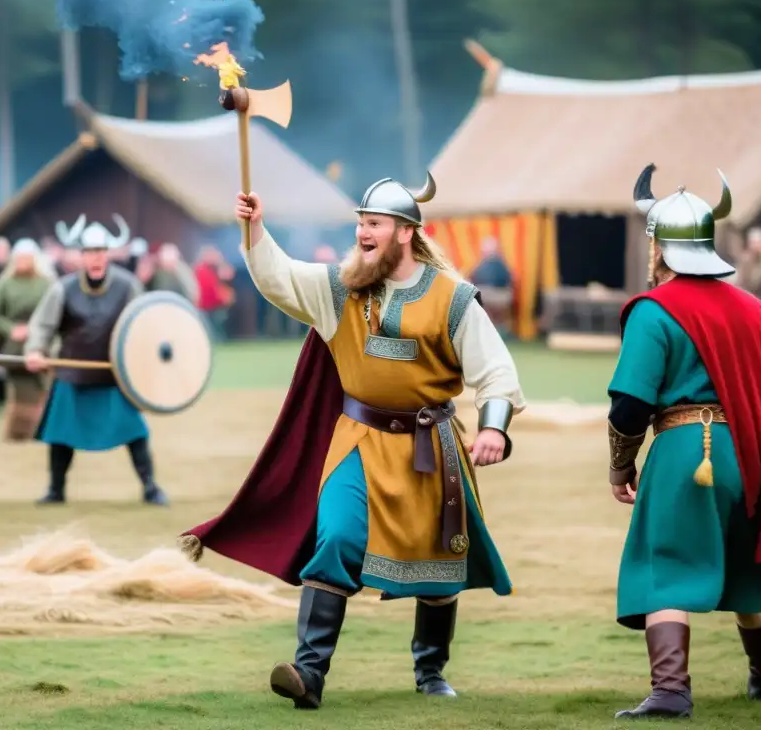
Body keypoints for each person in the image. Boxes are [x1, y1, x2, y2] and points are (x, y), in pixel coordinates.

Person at [180, 173, 526, 708]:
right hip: (357, 442)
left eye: (374, 225)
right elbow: (281, 279)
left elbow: (496, 371)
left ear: (406, 232)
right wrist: (255, 230)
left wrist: (493, 427)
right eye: (361, 223)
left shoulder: (453, 298)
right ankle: (308, 675)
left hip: (428, 448)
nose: (363, 233)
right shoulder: (340, 286)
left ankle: (431, 671)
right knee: (337, 537)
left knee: (437, 564)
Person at [606, 164, 761, 720]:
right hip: (749, 454)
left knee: (666, 565)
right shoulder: (755, 310)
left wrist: (620, 465)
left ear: (658, 249)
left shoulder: (654, 311)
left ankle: (670, 691)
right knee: (744, 571)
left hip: (685, 452)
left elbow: (630, 405)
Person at [23, 214, 168, 506]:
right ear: (80, 256)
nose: (95, 258)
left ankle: (151, 487)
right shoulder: (62, 288)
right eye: (89, 252)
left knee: (135, 433)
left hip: (114, 376)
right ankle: (55, 490)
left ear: (109, 254)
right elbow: (42, 326)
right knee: (61, 435)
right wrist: (36, 350)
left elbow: (143, 325)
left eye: (101, 251)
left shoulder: (128, 287)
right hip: (72, 373)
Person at [0, 239, 54, 441]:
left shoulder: (46, 284)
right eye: (19, 258)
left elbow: (52, 313)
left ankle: (40, 433)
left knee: (42, 392)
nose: (22, 261)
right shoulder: (6, 284)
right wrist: (11, 329)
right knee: (18, 395)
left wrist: (34, 330)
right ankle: (16, 434)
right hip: (15, 348)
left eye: (26, 258)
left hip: (42, 345)